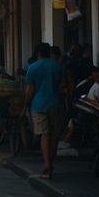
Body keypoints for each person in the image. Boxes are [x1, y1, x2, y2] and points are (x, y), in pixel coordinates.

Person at [25, 43, 65, 181]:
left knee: (44, 135)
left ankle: (47, 165)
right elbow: (64, 84)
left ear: (38, 53)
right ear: (49, 53)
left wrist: (25, 104)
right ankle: (51, 163)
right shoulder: (57, 66)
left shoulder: (33, 67)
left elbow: (30, 89)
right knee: (54, 136)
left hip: (38, 105)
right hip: (55, 103)